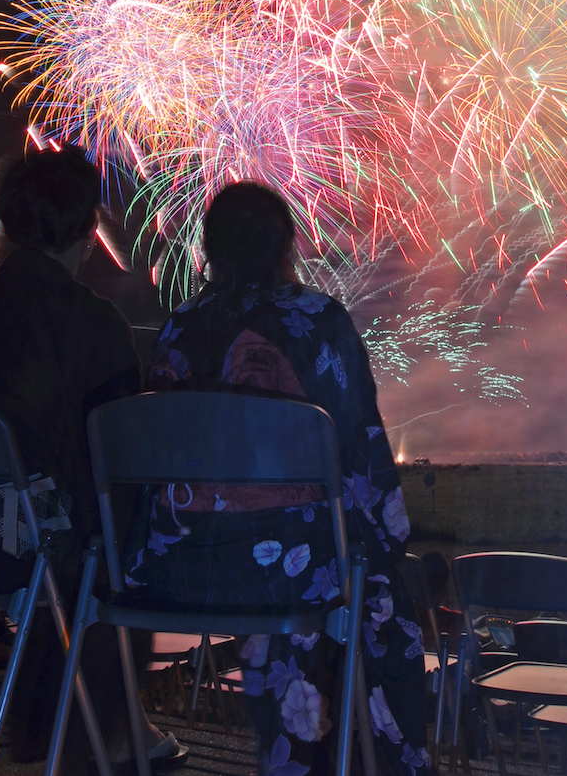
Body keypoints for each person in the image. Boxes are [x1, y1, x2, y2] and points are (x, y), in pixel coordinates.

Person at [129, 181, 431, 775]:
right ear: (287, 246)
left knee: (343, 574)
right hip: (289, 572)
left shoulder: (177, 328)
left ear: (209, 249)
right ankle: (372, 760)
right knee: (379, 594)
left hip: (179, 567)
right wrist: (389, 539)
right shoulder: (319, 321)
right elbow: (362, 451)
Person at [0, 147, 183, 773]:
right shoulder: (94, 322)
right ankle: (107, 731)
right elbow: (116, 458)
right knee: (120, 535)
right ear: (90, 233)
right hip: (25, 553)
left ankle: (55, 727)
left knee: (66, 524)